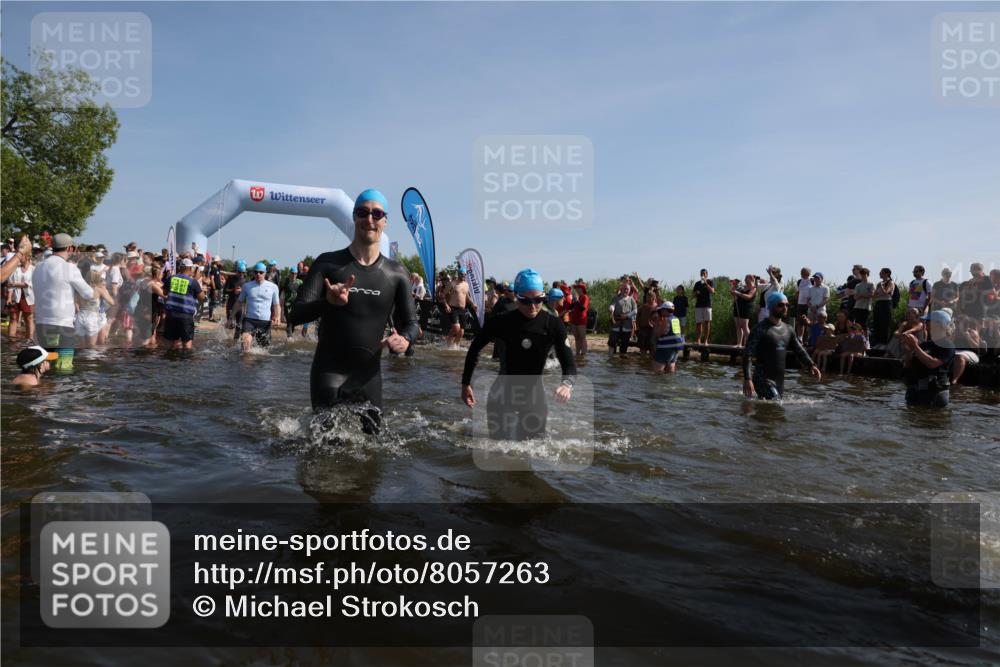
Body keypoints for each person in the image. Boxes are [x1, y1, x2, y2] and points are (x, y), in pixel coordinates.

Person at [287, 189, 418, 434]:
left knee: (373, 448)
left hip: (369, 378)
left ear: (385, 221)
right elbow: (295, 315)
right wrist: (327, 301)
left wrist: (405, 339)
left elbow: (412, 323)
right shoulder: (327, 264)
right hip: (328, 373)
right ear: (354, 217)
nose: (370, 219)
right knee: (324, 449)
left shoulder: (397, 273)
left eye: (377, 214)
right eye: (363, 212)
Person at [461, 268, 576, 441]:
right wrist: (465, 384)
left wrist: (567, 384)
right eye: (526, 301)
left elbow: (569, 363)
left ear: (543, 297)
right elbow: (474, 349)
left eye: (538, 300)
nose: (532, 306)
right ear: (516, 297)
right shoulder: (501, 321)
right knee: (498, 449)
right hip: (502, 395)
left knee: (534, 448)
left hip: (534, 397)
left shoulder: (553, 324)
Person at [31, 233, 94, 371]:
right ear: (70, 248)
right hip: (62, 326)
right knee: (63, 369)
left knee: (46, 367)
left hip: (41, 324)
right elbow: (89, 294)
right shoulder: (69, 268)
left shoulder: (38, 267)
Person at [742, 292, 821, 400]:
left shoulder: (789, 329)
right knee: (775, 403)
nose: (785, 308)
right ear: (771, 306)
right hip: (762, 379)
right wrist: (748, 379)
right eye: (780, 305)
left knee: (776, 406)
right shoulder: (760, 329)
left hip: (779, 381)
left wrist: (811, 365)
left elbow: (799, 350)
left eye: (787, 305)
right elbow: (748, 355)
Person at [901, 310, 954, 407]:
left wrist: (915, 346)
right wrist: (909, 350)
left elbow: (932, 364)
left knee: (931, 416)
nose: (925, 324)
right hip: (916, 390)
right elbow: (908, 365)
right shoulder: (925, 344)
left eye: (928, 322)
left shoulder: (947, 345)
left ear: (939, 325)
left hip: (935, 393)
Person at [162, 258, 206, 350]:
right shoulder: (192, 281)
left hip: (171, 315)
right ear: (190, 268)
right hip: (185, 317)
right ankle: (185, 359)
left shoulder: (172, 278)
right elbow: (202, 297)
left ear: (180, 267)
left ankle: (168, 358)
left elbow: (164, 292)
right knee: (186, 346)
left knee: (169, 344)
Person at [238, 262, 281, 352]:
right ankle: (245, 360)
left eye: (261, 272)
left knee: (263, 351)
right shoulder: (247, 286)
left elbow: (276, 305)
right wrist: (231, 317)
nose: (258, 274)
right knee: (245, 343)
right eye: (256, 272)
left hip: (265, 322)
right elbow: (239, 302)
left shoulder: (273, 287)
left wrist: (278, 316)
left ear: (265, 273)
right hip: (249, 320)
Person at [74, 267, 116, 348]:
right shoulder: (99, 290)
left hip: (80, 317)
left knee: (82, 346)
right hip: (92, 318)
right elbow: (112, 302)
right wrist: (105, 291)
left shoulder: (80, 289)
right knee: (92, 346)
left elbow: (76, 303)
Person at [443, 267, 475, 347]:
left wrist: (472, 304)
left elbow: (466, 297)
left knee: (461, 332)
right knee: (456, 327)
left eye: (465, 274)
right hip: (453, 308)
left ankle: (455, 346)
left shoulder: (466, 285)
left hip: (462, 309)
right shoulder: (452, 283)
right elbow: (442, 295)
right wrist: (446, 305)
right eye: (462, 274)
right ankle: (447, 344)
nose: (463, 275)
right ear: (458, 274)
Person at [6, 252, 35, 340]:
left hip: (28, 297)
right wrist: (9, 297)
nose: (18, 258)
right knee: (13, 318)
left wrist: (15, 283)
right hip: (15, 296)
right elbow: (10, 283)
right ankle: (11, 340)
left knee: (29, 318)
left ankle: (29, 340)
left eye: (21, 257)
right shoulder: (15, 269)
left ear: (27, 257)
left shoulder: (33, 269)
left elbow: (29, 284)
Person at [651, 300, 684, 373]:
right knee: (670, 372)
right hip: (675, 349)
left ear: (665, 310)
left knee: (656, 372)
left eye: (661, 310)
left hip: (665, 349)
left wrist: (656, 325)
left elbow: (659, 334)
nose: (660, 312)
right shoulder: (676, 319)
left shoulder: (666, 320)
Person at [608, 281, 637, 356]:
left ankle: (622, 360)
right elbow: (612, 305)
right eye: (624, 288)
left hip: (627, 325)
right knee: (612, 343)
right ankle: (610, 359)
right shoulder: (616, 298)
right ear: (621, 289)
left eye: (627, 289)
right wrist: (611, 308)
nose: (626, 290)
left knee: (624, 345)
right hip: (616, 324)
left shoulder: (632, 299)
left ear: (629, 290)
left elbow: (635, 311)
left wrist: (627, 316)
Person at [731, 274, 756, 348]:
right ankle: (739, 344)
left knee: (744, 326)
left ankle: (749, 344)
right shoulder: (743, 287)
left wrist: (738, 293)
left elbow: (749, 297)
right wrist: (734, 288)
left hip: (746, 308)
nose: (745, 280)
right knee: (738, 326)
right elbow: (733, 292)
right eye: (745, 278)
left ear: (751, 279)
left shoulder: (753, 288)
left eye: (746, 278)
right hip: (738, 307)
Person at [692, 269, 715, 345]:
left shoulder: (710, 282)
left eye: (704, 273)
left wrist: (706, 283)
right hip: (698, 306)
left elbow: (712, 291)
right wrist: (696, 293)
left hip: (707, 305)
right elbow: (693, 295)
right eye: (701, 273)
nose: (703, 275)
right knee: (698, 323)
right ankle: (698, 340)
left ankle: (705, 340)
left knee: (707, 323)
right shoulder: (697, 283)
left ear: (707, 275)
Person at [569, 281, 590, 357]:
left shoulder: (585, 297)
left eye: (578, 288)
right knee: (576, 338)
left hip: (581, 320)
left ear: (582, 289)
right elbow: (570, 307)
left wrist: (577, 301)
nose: (577, 289)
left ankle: (583, 354)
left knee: (582, 337)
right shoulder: (576, 297)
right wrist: (573, 301)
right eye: (576, 288)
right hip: (574, 319)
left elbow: (582, 308)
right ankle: (578, 353)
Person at [224, 260, 247, 328]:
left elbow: (249, 294)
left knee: (239, 325)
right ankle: (228, 334)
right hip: (231, 303)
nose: (241, 274)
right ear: (237, 271)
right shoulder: (231, 279)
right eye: (239, 272)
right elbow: (225, 290)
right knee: (229, 324)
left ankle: (236, 335)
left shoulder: (246, 281)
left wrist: (242, 291)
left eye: (243, 273)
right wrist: (233, 290)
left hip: (241, 305)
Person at [282, 266, 304, 335]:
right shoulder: (286, 282)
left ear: (297, 274)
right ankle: (290, 337)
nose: (294, 275)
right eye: (292, 273)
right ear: (290, 273)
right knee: (289, 321)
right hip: (287, 305)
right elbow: (281, 293)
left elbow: (304, 291)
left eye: (295, 273)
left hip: (295, 305)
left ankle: (289, 335)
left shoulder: (300, 282)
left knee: (293, 322)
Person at [795, 267, 812, 336]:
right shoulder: (799, 281)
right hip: (800, 304)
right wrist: (797, 302)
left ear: (808, 273)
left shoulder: (812, 280)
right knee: (800, 322)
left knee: (808, 321)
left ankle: (809, 337)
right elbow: (797, 293)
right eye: (801, 272)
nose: (802, 274)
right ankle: (800, 338)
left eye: (803, 272)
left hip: (809, 304)